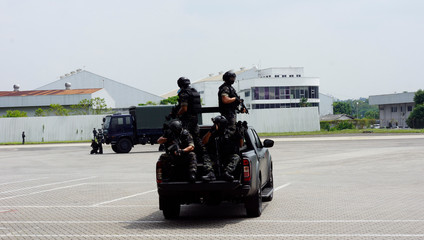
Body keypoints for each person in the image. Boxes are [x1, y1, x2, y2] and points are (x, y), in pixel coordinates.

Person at [176, 77, 216, 182]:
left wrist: (176, 114)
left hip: (187, 121)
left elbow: (184, 108)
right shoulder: (194, 92)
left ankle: (186, 172)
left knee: (185, 143)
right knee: (200, 147)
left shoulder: (184, 94)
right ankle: (209, 171)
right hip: (195, 121)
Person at [202, 116, 244, 181]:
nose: (214, 125)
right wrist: (210, 131)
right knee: (206, 156)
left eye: (216, 124)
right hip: (215, 157)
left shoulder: (229, 133)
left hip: (226, 157)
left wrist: (239, 134)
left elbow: (241, 145)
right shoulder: (213, 133)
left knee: (236, 157)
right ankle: (210, 174)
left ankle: (227, 172)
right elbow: (204, 141)